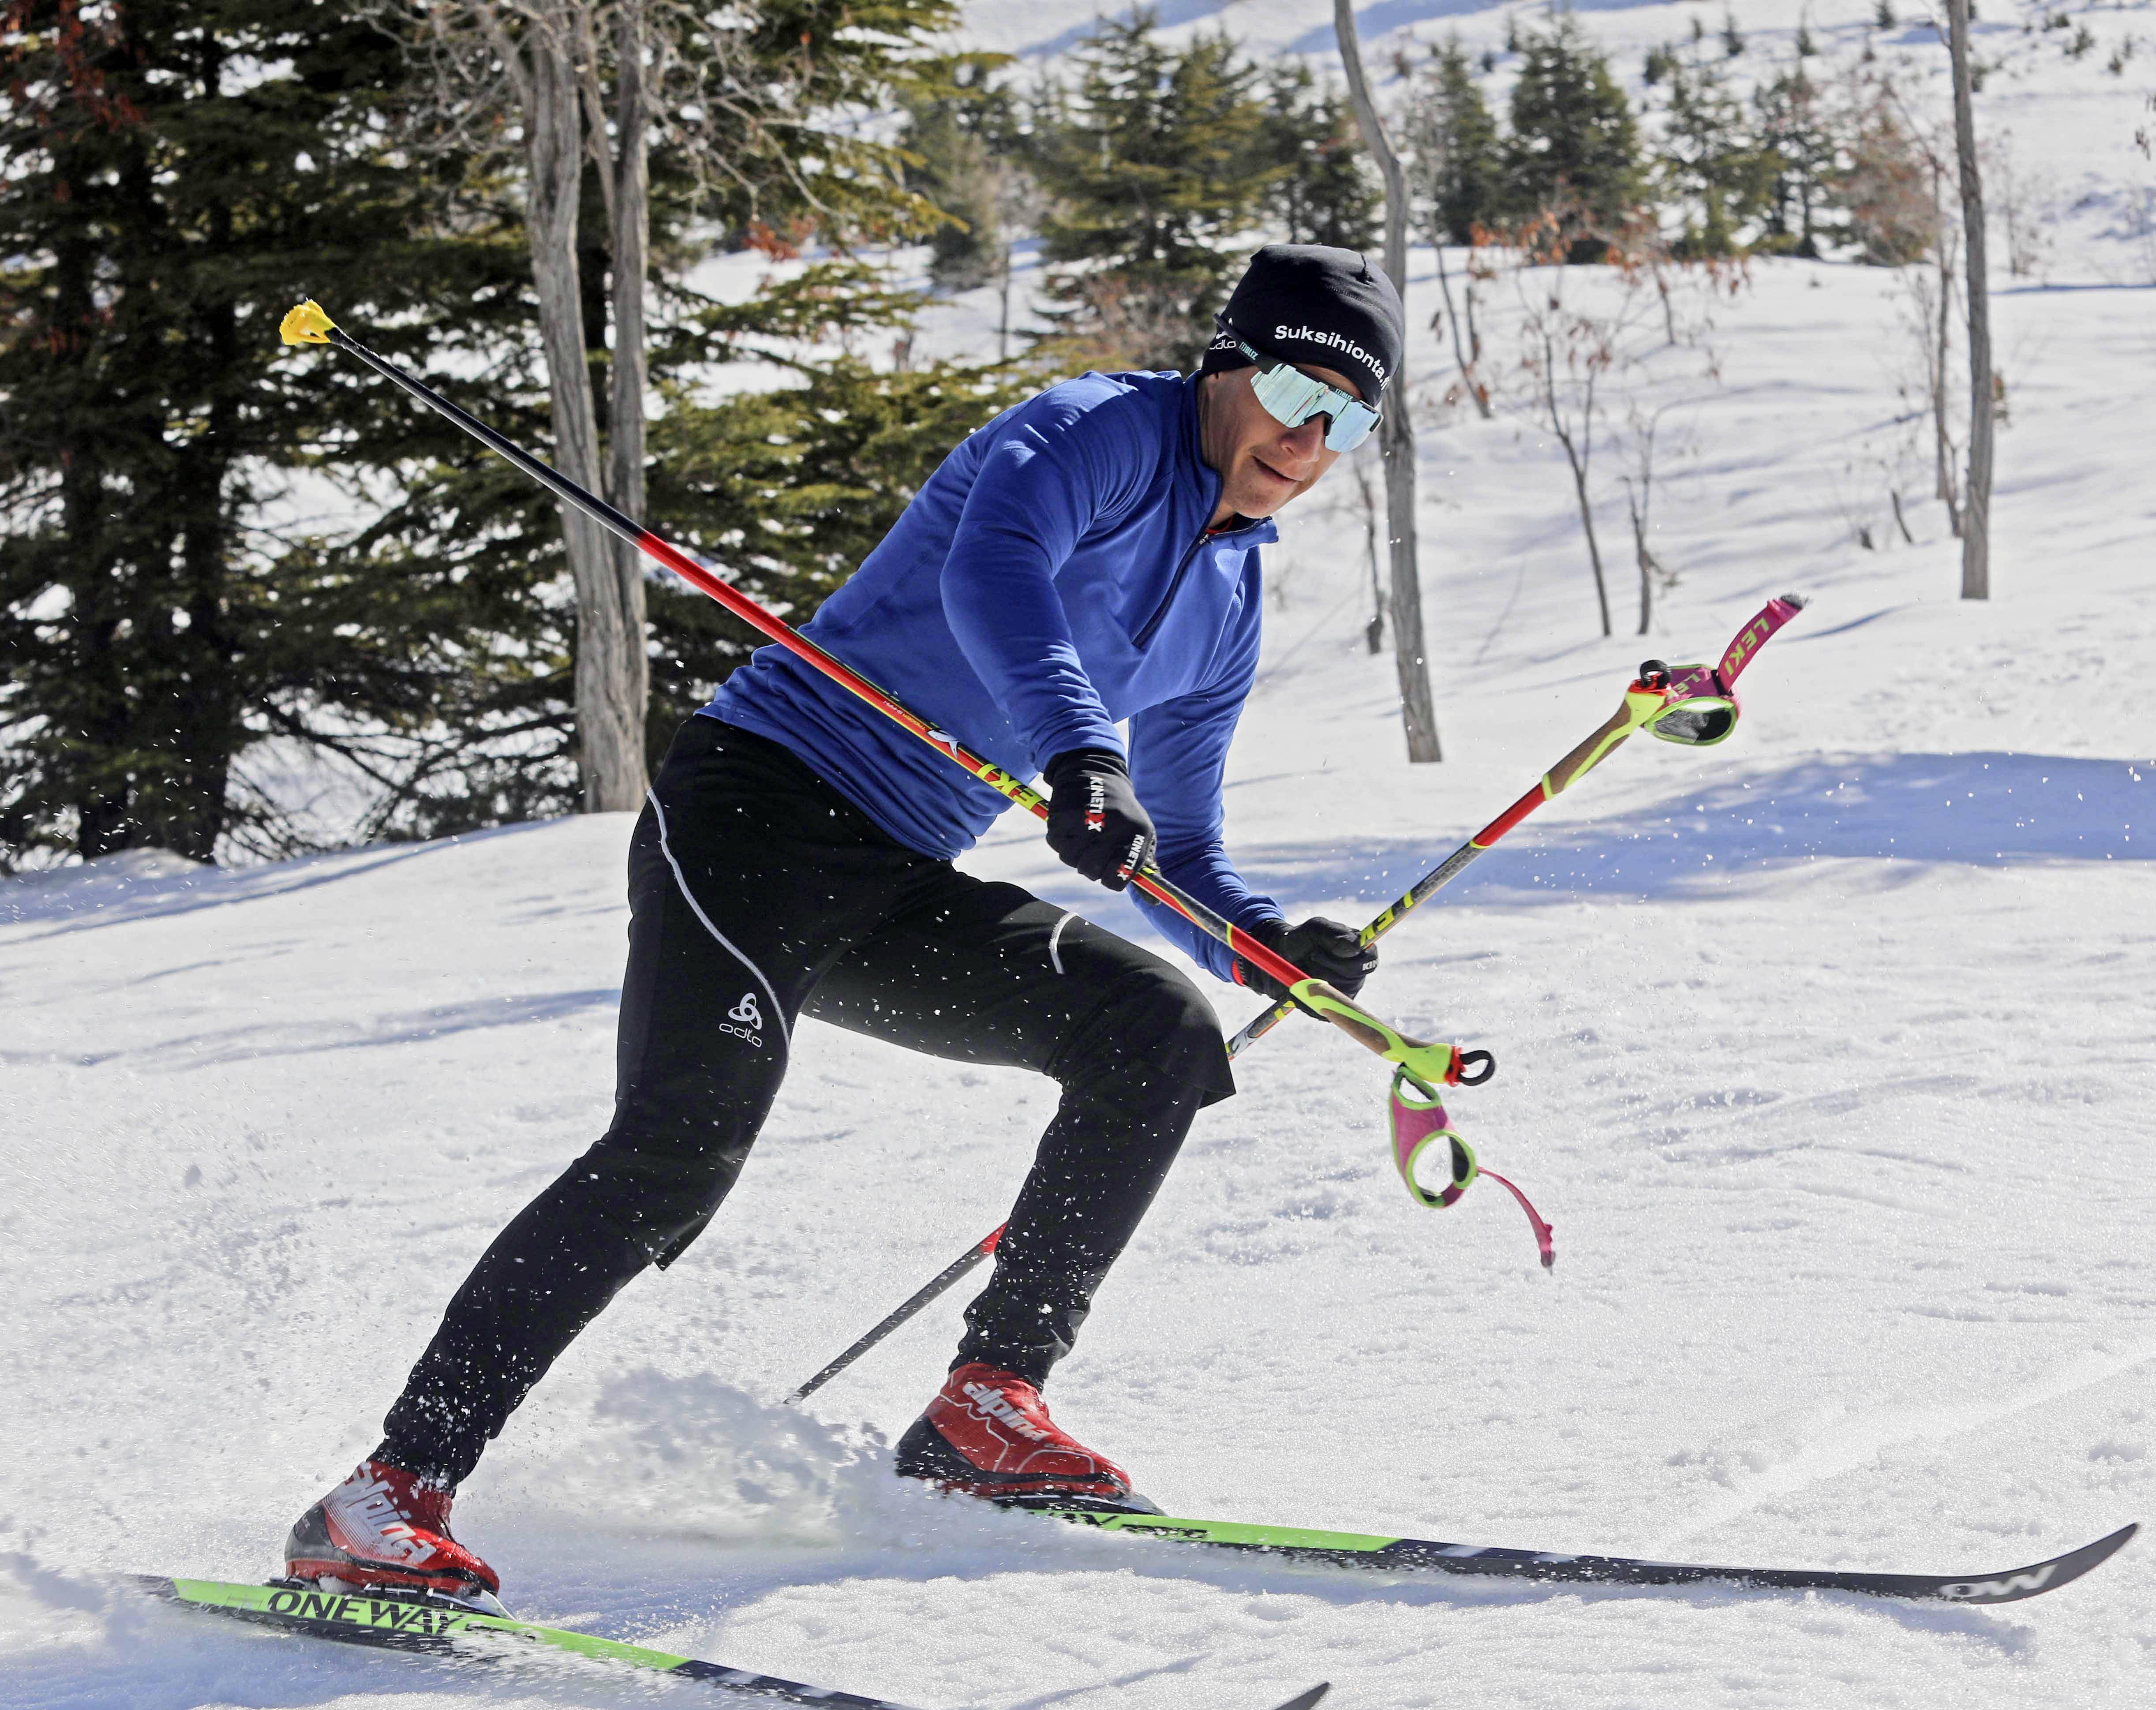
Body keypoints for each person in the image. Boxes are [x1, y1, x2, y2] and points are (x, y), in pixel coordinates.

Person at [285, 244, 1404, 1606]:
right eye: (1296, 386)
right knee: (679, 1148)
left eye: (1349, 417)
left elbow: (1185, 843)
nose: (1309, 436)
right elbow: (993, 573)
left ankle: (987, 1406)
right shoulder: (1098, 434)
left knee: (1157, 1028)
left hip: (891, 875)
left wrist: (1268, 945)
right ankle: (386, 1490)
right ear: (1228, 360)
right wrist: (1076, 753)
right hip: (757, 810)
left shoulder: (1227, 601)